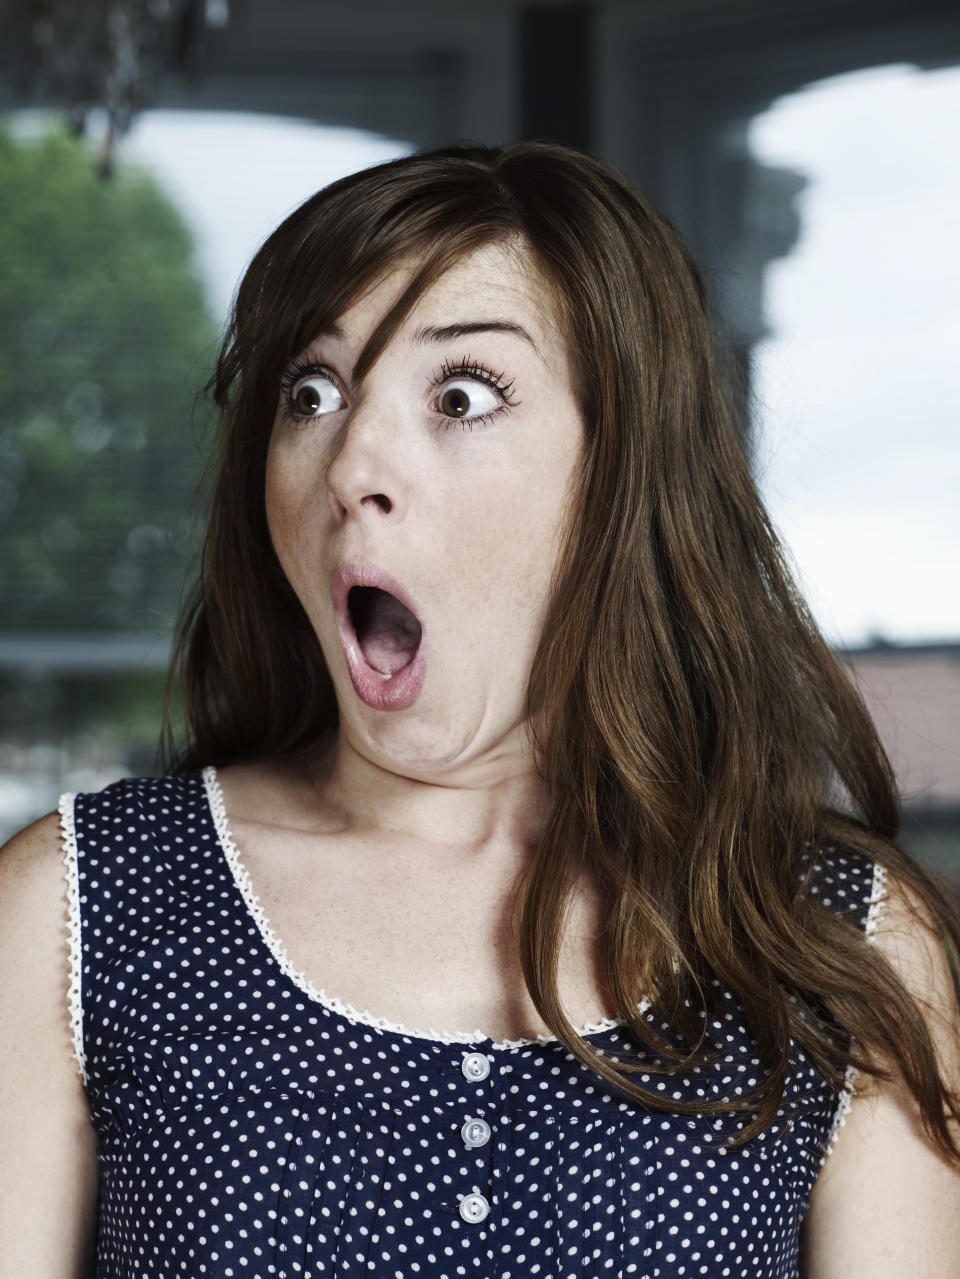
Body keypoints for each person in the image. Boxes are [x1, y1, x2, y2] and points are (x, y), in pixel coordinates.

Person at [1, 140, 958, 1278]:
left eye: (462, 395)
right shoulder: (71, 915)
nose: (351, 458)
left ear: (620, 473)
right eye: (311, 393)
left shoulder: (843, 941)